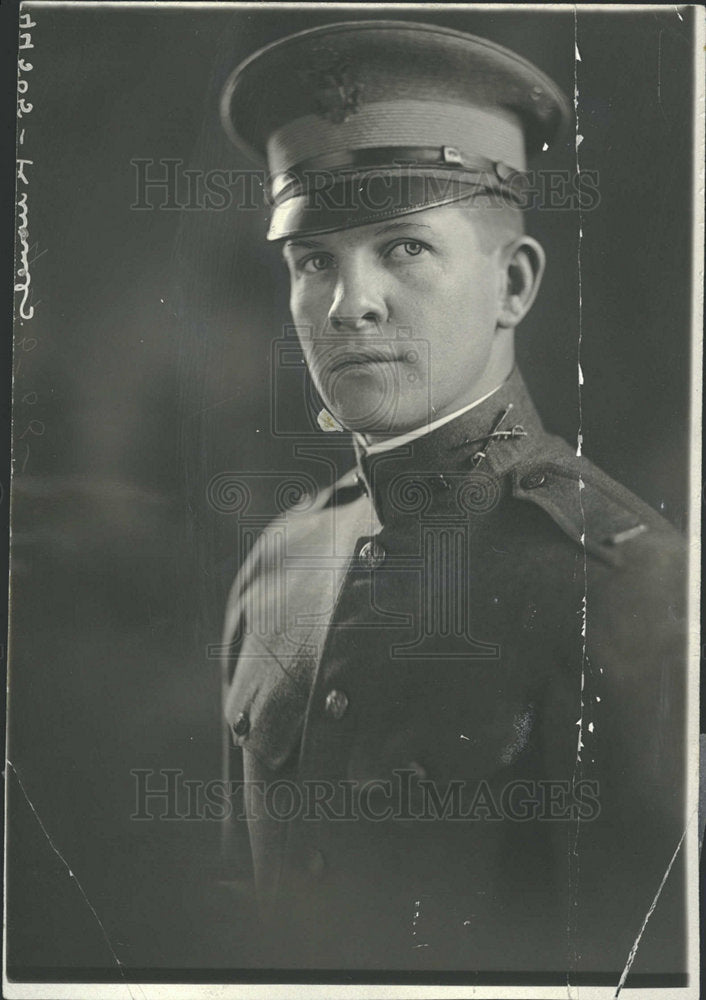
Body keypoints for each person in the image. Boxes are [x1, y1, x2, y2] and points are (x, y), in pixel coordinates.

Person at [217, 20, 686, 975]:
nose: (351, 303)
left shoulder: (627, 590)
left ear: (513, 284)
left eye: (404, 248)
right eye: (314, 261)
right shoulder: (280, 565)